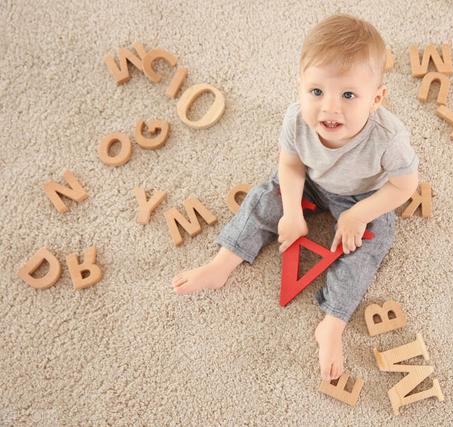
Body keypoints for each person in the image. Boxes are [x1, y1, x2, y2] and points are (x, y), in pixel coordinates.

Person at [171, 14, 419, 382]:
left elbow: (404, 185)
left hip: (363, 195)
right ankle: (224, 262)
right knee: (264, 195)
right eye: (316, 92)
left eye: (349, 95)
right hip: (312, 181)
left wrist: (359, 214)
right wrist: (291, 213)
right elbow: (289, 166)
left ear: (376, 98)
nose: (330, 108)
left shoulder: (389, 138)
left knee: (375, 239)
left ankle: (333, 321)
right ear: (300, 86)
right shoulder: (296, 120)